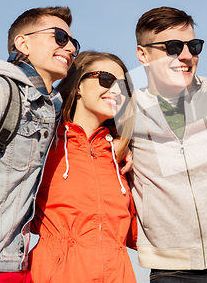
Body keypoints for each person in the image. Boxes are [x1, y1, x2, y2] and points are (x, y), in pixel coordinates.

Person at [130, 6, 207, 282]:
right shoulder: (125, 111)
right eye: (172, 47)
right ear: (143, 55)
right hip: (172, 269)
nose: (186, 56)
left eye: (193, 46)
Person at [0, 7, 79, 283]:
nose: (70, 47)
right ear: (23, 43)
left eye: (74, 43)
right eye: (60, 37)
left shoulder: (54, 108)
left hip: (21, 263)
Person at [28, 51, 137, 282]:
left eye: (124, 86)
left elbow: (138, 234)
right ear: (78, 85)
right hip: (56, 273)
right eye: (106, 79)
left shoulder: (122, 156)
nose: (116, 91)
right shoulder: (45, 143)